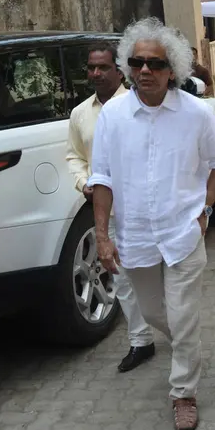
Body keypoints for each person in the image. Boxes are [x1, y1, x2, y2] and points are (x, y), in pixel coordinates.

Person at [88, 17, 215, 430]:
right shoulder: (113, 116)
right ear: (127, 66)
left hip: (183, 233)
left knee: (184, 314)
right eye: (137, 63)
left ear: (173, 70)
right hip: (134, 236)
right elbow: (101, 178)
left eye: (155, 64)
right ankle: (188, 345)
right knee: (153, 312)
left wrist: (205, 208)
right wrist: (102, 234)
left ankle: (184, 392)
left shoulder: (195, 114)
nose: (145, 71)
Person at [66, 43, 155, 372]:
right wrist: (83, 182)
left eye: (103, 67)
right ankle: (140, 341)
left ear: (120, 71)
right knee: (121, 278)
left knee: (157, 277)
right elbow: (74, 155)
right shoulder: (80, 114)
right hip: (109, 213)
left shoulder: (138, 106)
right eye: (91, 67)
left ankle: (178, 334)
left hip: (145, 209)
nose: (95, 73)